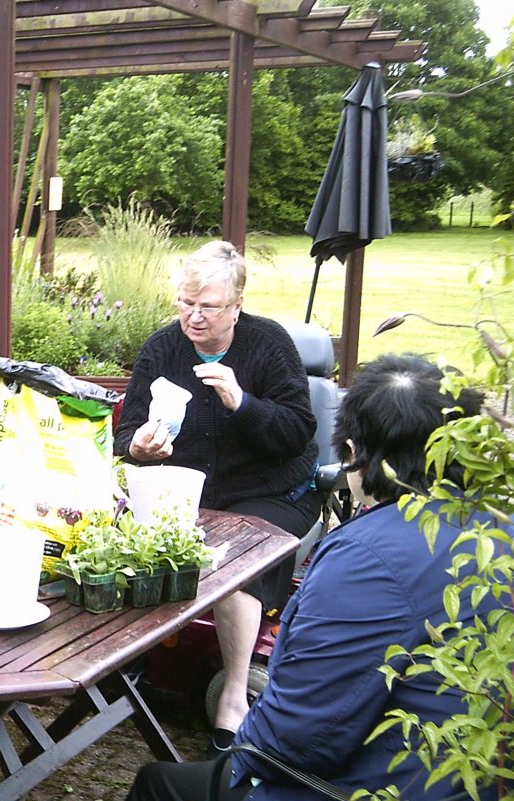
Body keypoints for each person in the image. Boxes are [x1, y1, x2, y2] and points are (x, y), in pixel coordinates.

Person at [126, 352, 510, 801]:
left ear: (353, 454)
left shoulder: (366, 560)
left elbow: (298, 736)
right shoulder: (507, 531)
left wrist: (245, 758)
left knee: (160, 784)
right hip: (483, 772)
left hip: (376, 786)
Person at [113, 240, 320, 751]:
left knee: (236, 565)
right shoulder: (163, 348)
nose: (194, 317)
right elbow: (125, 438)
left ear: (237, 306)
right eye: (186, 303)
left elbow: (298, 432)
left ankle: (232, 693)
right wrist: (139, 444)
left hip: (270, 490)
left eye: (208, 306)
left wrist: (242, 402)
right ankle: (129, 666)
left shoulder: (267, 345)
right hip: (187, 490)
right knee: (124, 546)